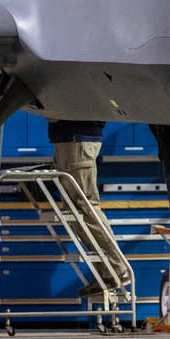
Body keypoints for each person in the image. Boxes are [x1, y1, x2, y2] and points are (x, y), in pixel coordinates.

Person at [47, 120, 128, 297]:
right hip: (70, 138)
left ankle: (116, 268)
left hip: (76, 138)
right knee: (76, 210)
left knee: (84, 207)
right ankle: (106, 273)